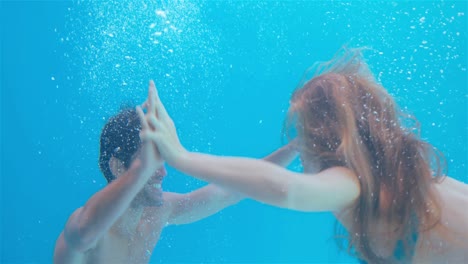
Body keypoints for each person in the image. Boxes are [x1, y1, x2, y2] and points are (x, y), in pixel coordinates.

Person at [141, 48, 468, 263]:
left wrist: (182, 156)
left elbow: (285, 188)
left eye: (304, 134)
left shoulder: (350, 184)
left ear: (326, 139)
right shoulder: (391, 178)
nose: (302, 150)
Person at [53, 81, 298, 264]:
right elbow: (83, 234)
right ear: (119, 167)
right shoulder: (88, 231)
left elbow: (230, 190)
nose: (162, 173)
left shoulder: (156, 214)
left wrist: (297, 146)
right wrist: (141, 170)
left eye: (161, 159)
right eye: (149, 160)